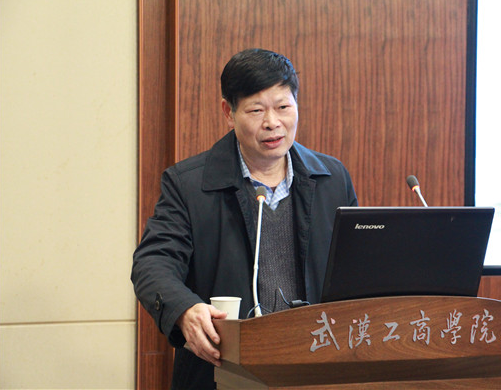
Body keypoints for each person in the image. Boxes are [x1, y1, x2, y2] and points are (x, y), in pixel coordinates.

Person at [131, 48, 358, 389]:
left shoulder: (332, 178)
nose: (272, 122)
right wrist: (185, 310)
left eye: (283, 107)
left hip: (318, 371)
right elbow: (152, 263)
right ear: (229, 112)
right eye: (256, 110)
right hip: (223, 372)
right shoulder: (189, 184)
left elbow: (355, 270)